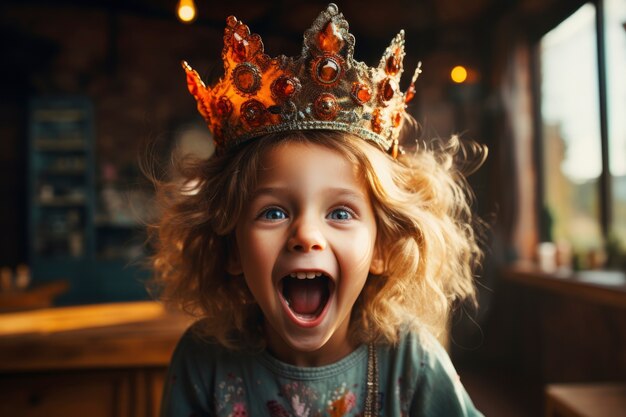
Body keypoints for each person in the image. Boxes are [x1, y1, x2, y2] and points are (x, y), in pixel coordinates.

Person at [153, 3, 486, 416]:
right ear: (232, 249)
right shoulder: (203, 362)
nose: (306, 236)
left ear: (382, 245)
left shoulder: (412, 362)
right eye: (273, 212)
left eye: (341, 213)